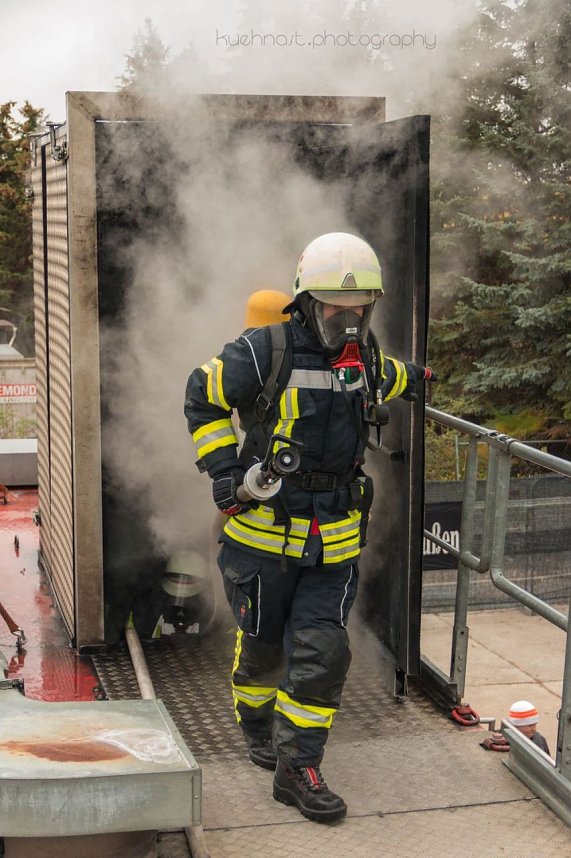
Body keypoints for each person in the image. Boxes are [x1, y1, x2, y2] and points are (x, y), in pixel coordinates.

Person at [184, 232, 434, 823]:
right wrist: (226, 470)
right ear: (305, 303)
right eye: (334, 310)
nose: (348, 323)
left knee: (322, 650)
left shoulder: (365, 358)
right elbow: (202, 395)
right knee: (263, 648)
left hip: (333, 540)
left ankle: (298, 767)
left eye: (359, 311)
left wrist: (421, 376)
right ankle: (257, 726)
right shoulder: (262, 351)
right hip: (261, 538)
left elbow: (390, 376)